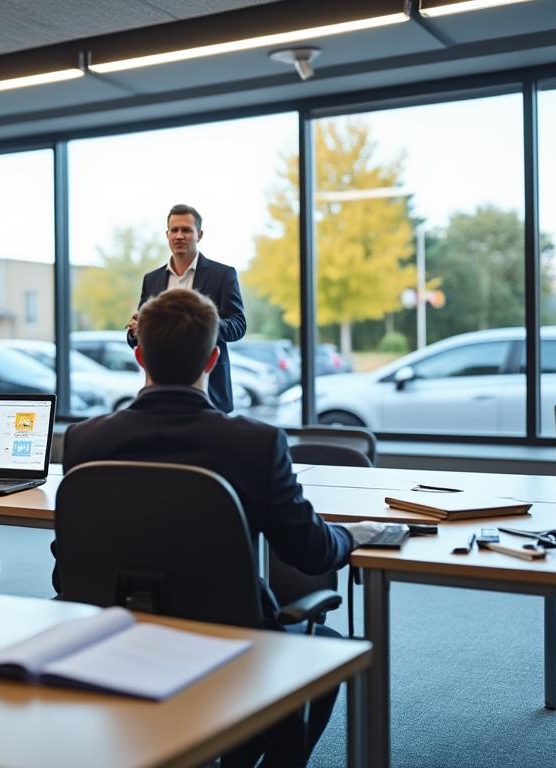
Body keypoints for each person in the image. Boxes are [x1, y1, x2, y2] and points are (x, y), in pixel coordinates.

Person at [65, 288, 387, 764]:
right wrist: (352, 535)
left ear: (139, 355)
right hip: (225, 644)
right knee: (328, 648)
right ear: (214, 358)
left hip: (109, 633)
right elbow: (311, 552)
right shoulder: (255, 443)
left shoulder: (84, 439)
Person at [125, 204, 246, 413]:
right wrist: (135, 331)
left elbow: (238, 326)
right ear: (167, 234)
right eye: (174, 230)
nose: (179, 236)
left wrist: (201, 324)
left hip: (210, 392)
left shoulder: (223, 275)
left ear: (199, 235)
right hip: (159, 393)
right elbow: (138, 335)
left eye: (186, 230)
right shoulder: (151, 279)